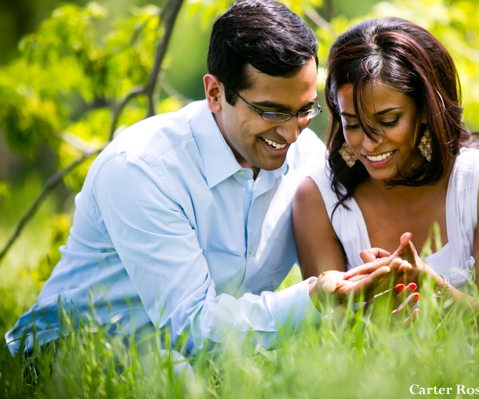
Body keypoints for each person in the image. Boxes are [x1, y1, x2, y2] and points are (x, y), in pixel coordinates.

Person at [5, 0, 398, 359]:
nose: (292, 133)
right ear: (214, 93)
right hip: (63, 362)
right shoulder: (142, 169)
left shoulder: (305, 158)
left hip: (190, 368)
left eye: (304, 110)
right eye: (271, 111)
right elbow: (192, 328)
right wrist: (313, 298)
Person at [293, 17, 479, 317]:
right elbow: (326, 334)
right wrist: (372, 322)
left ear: (425, 110)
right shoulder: (316, 198)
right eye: (352, 124)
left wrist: (429, 285)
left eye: (388, 121)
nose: (369, 144)